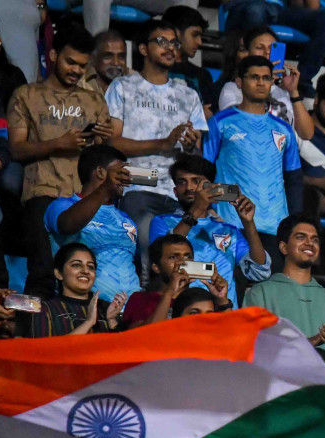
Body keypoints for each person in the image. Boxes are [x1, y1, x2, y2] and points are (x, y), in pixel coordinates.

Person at [5, 25, 110, 295]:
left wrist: (103, 140)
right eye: (70, 62)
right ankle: (34, 334)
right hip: (42, 193)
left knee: (85, 276)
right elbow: (16, 149)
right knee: (42, 271)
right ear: (52, 54)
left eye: (82, 66)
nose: (76, 70)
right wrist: (57, 144)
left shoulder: (94, 100)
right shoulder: (26, 95)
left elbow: (102, 152)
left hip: (83, 197)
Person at [103, 19, 206, 263]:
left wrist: (191, 147)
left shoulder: (188, 94)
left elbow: (198, 155)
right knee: (150, 256)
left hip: (178, 191)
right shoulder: (123, 87)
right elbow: (111, 143)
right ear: (142, 49)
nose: (170, 48)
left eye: (174, 43)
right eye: (161, 42)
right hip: (137, 184)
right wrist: (162, 144)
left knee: (185, 255)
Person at [244, 215, 325, 374]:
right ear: (284, 247)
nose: (310, 243)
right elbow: (254, 349)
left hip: (324, 395)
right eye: (300, 237)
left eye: (315, 239)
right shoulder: (261, 293)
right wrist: (311, 342)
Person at [202, 56, 301, 238]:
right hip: (230, 223)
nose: (261, 83)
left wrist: (294, 223)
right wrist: (211, 208)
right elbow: (204, 172)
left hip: (275, 226)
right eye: (254, 77)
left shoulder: (284, 129)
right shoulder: (221, 121)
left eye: (266, 78)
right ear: (239, 82)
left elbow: (294, 179)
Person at [148, 155, 271, 301]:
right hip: (180, 312)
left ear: (213, 188)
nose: (190, 188)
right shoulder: (162, 222)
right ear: (175, 191)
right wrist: (197, 208)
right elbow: (164, 258)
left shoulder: (229, 230)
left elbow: (259, 271)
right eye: (182, 182)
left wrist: (248, 222)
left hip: (222, 313)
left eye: (197, 181)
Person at [44, 144, 140, 302]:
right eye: (120, 172)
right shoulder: (62, 205)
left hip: (129, 313)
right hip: (83, 309)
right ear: (102, 172)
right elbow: (66, 226)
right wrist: (103, 190)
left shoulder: (126, 219)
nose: (126, 178)